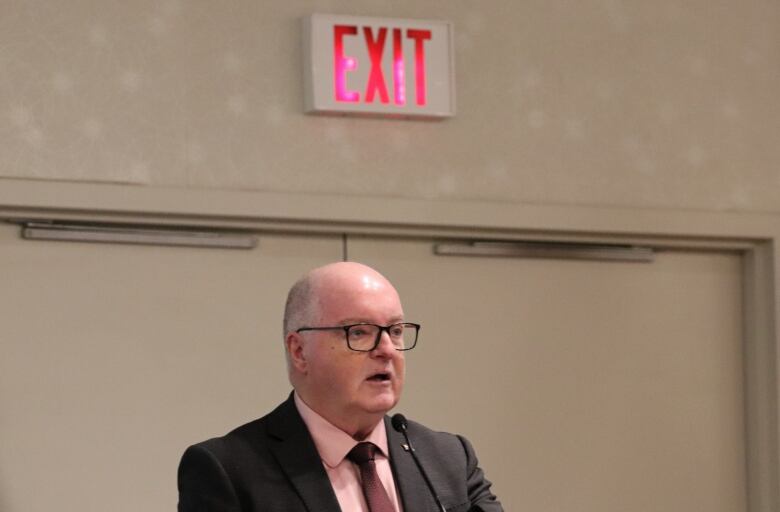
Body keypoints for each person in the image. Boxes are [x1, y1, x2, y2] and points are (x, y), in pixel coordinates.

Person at [177, 261, 503, 511]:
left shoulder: (447, 458)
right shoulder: (227, 470)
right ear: (299, 351)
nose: (387, 348)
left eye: (396, 330)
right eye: (359, 332)